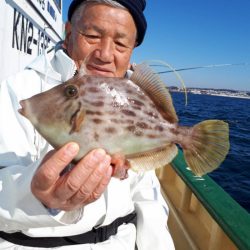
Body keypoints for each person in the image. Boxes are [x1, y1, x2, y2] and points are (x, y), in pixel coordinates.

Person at [0, 0, 175, 249]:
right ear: (69, 33)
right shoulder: (17, 91)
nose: (104, 55)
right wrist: (34, 196)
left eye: (121, 44)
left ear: (132, 50)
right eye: (92, 35)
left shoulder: (132, 100)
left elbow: (147, 196)